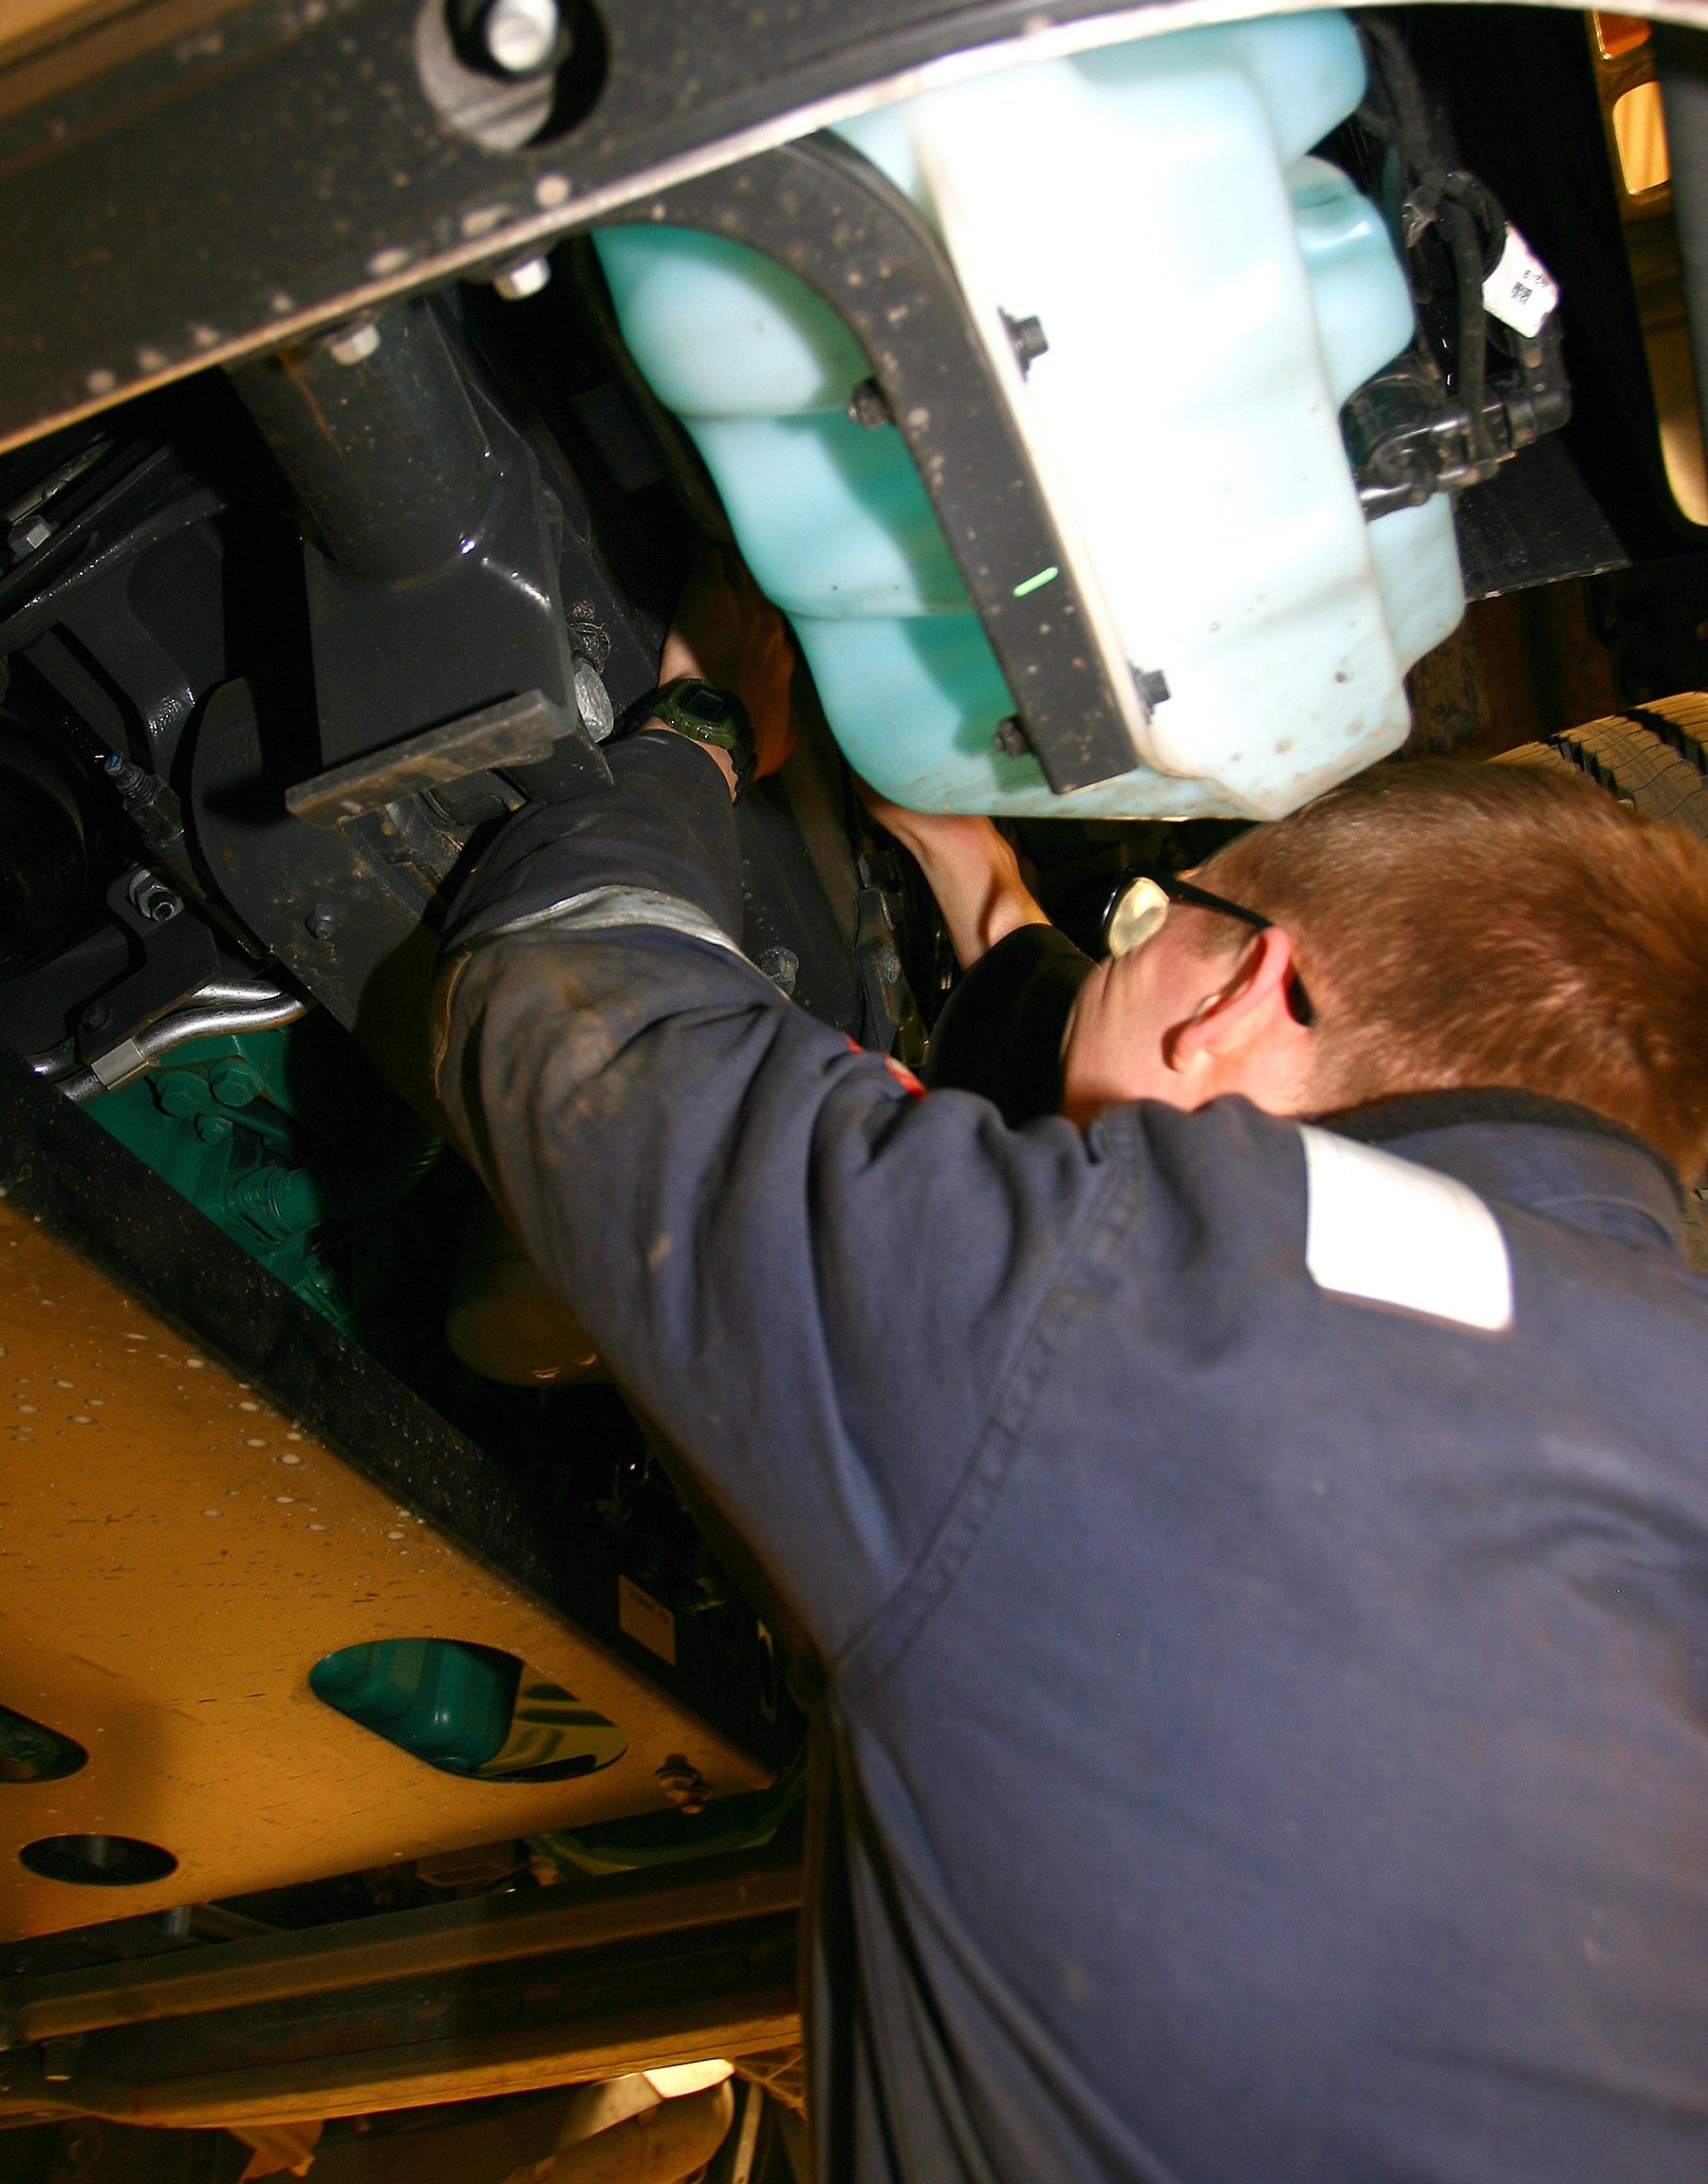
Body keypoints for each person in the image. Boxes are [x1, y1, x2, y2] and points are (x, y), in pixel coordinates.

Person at [432, 559, 1708, 2184]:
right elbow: (1199, 1115)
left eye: (1153, 915)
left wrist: (698, 723)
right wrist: (984, 892)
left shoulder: (1130, 1325)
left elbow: (566, 1003)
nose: (1128, 937)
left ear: (1245, 990)